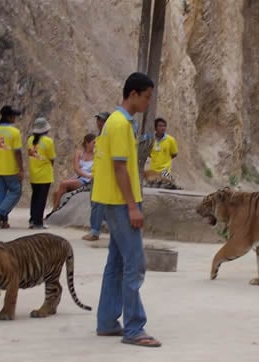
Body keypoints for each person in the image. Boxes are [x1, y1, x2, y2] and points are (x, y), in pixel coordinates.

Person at [93, 72, 161, 347]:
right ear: (133, 94)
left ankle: (107, 321)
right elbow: (119, 167)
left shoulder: (119, 122)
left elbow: (124, 166)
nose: (147, 103)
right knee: (135, 264)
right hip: (121, 203)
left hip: (112, 199)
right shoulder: (120, 124)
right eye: (146, 97)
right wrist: (133, 206)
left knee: (117, 263)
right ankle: (134, 328)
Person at [0, 105, 24, 229]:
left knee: (1, 195)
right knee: (16, 191)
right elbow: (17, 152)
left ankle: (3, 221)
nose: (15, 118)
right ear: (8, 117)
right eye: (13, 116)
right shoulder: (14, 132)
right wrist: (21, 169)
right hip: (11, 168)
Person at [82, 112, 110, 241]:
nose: (99, 123)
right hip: (97, 174)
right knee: (96, 203)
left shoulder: (108, 136)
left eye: (102, 120)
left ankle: (95, 231)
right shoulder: (99, 137)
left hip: (164, 169)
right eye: (98, 120)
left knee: (97, 204)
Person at [51, 133, 95, 210]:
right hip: (81, 177)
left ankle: (55, 208)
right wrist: (86, 175)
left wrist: (90, 176)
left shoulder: (96, 154)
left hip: (88, 180)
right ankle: (55, 209)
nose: (95, 145)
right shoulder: (79, 153)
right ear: (87, 143)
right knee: (56, 193)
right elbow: (76, 169)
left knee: (64, 184)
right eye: (93, 143)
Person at [27, 117, 56, 229]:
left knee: (35, 198)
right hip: (45, 174)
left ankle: (32, 220)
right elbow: (52, 158)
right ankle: (38, 222)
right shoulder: (48, 141)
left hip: (34, 174)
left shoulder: (30, 140)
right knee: (41, 199)